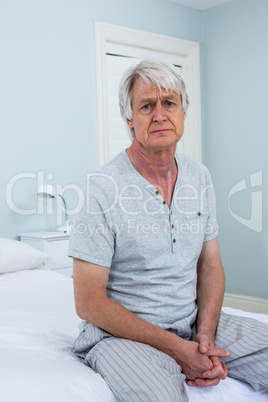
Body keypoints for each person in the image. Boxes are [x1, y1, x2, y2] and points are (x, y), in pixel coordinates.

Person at [68, 59, 268, 402]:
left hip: (190, 325)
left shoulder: (199, 176)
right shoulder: (103, 187)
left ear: (183, 112)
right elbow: (89, 303)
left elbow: (209, 265)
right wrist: (179, 349)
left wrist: (203, 336)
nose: (160, 114)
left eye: (169, 103)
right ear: (130, 119)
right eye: (147, 106)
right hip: (120, 337)